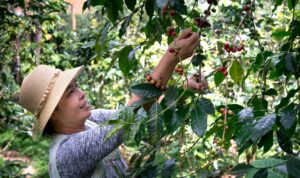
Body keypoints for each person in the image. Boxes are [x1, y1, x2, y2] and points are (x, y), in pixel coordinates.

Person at [18, 28, 207, 178]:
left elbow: (136, 111)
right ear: (53, 114)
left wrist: (183, 86)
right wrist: (171, 56)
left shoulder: (92, 119)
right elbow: (124, 122)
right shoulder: (67, 155)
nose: (81, 93)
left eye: (76, 86)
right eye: (70, 93)